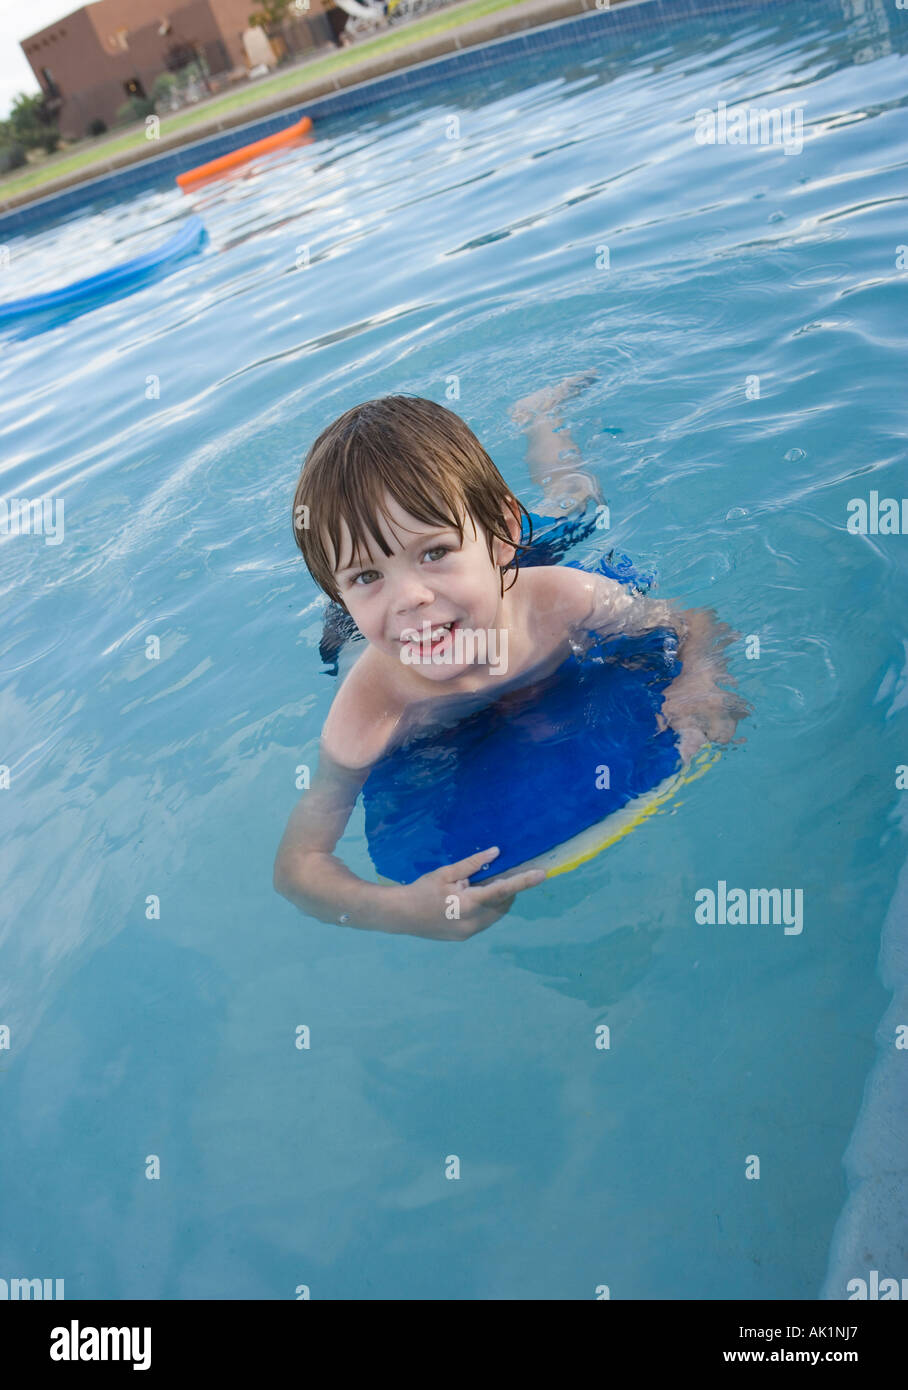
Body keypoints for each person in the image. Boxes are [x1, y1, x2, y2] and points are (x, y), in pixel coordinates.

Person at [274, 376, 748, 940]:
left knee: (577, 505)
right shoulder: (371, 710)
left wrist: (695, 688)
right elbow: (298, 866)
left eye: (435, 551)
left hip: (511, 570)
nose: (409, 597)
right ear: (340, 593)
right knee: (356, 639)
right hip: (375, 634)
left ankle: (540, 416)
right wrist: (396, 911)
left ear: (499, 536)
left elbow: (690, 625)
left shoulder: (562, 600)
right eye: (366, 576)